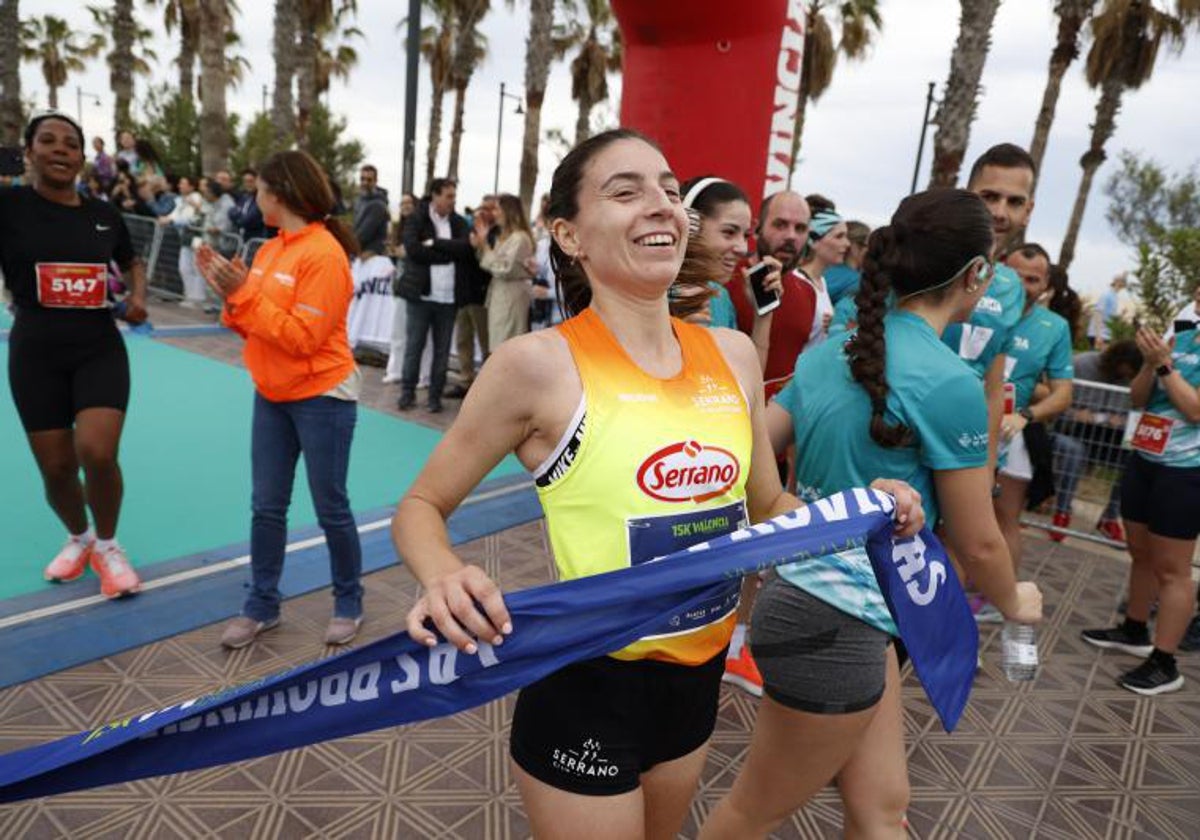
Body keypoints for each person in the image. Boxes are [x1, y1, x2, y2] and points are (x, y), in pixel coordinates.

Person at [392, 128, 923, 839]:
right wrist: (443, 574)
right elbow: (422, 506)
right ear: (570, 235)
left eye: (671, 192)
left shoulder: (733, 356)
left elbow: (769, 505)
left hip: (695, 681)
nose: (661, 206)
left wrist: (865, 511)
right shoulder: (538, 365)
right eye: (626, 191)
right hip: (587, 681)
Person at [701, 189, 1044, 840]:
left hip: (840, 610)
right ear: (975, 275)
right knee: (753, 811)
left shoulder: (836, 350)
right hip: (835, 619)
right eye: (993, 267)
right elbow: (979, 544)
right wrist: (1015, 599)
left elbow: (749, 448)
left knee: (883, 807)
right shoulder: (948, 384)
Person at [195, 149, 366, 650]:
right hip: (271, 395)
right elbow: (245, 322)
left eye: (259, 190)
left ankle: (348, 601)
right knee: (266, 507)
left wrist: (245, 295)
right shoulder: (269, 250)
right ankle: (261, 605)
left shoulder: (325, 255)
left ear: (281, 194)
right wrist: (230, 293)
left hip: (323, 399)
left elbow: (302, 338)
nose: (254, 198)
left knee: (330, 506)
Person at [0, 109, 148, 597]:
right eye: (48, 141)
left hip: (98, 347)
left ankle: (107, 545)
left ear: (83, 158)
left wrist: (139, 298)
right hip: (35, 352)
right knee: (58, 467)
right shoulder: (9, 206)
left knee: (97, 451)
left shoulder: (103, 215)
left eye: (71, 143)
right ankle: (79, 537)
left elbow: (132, 262)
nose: (61, 149)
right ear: (29, 153)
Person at [1082, 325, 1200, 694]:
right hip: (1146, 455)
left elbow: (1195, 410)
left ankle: (1165, 663)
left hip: (1186, 468)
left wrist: (1164, 366)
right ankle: (1134, 629)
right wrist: (1151, 365)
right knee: (1141, 553)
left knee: (1173, 569)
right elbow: (1136, 398)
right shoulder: (1180, 338)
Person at [992, 243, 1074, 575]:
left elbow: (1063, 393)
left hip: (1010, 433)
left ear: (1045, 286)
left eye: (1033, 279)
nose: (1024, 286)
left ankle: (1000, 598)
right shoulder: (976, 304)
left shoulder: (1054, 327)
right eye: (1015, 275)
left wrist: (1025, 416)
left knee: (1005, 517)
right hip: (960, 423)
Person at [726, 190, 817, 400]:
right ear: (757, 229)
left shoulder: (808, 292)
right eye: (780, 224)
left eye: (800, 228)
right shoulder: (726, 281)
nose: (791, 236)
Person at [1050, 339, 1142, 541]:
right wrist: (1073, 413)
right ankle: (1062, 511)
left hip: (1109, 438)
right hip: (1072, 432)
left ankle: (1110, 518)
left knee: (1134, 461)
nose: (1125, 377)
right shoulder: (1081, 364)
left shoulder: (1137, 380)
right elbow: (1053, 398)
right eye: (1122, 371)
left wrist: (1123, 421)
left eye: (1129, 375)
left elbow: (1138, 413)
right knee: (1074, 453)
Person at [399, 178, 473, 413]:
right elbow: (414, 250)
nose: (453, 201)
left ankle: (434, 397)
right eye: (449, 196)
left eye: (454, 196)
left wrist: (435, 244)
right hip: (421, 296)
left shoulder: (459, 222)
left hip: (448, 300)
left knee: (442, 352)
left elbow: (465, 249)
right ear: (435, 196)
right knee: (414, 347)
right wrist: (445, 254)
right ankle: (407, 393)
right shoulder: (416, 218)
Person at [447, 195, 495, 396]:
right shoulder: (468, 230)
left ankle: (486, 386)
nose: (483, 211)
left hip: (481, 296)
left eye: (489, 208)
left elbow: (489, 261)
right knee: (463, 341)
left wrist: (480, 245)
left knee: (486, 344)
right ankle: (466, 380)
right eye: (481, 207)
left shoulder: (497, 233)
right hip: (463, 294)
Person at [476, 192, 534, 352]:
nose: (494, 214)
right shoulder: (506, 237)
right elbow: (491, 263)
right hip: (501, 295)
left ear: (508, 211)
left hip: (510, 297)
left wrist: (485, 247)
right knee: (497, 342)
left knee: (505, 345)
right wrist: (482, 244)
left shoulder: (519, 238)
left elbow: (504, 269)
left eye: (497, 209)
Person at [796, 202, 850, 347]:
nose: (847, 243)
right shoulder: (798, 282)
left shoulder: (821, 281)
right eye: (839, 236)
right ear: (814, 241)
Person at [159, 175, 206, 307]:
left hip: (196, 237)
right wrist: (166, 218)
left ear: (191, 186)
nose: (180, 185)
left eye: (183, 183)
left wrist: (171, 220)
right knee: (184, 267)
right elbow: (175, 213)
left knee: (196, 267)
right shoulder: (181, 200)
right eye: (180, 183)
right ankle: (189, 296)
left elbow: (190, 217)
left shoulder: (196, 197)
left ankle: (198, 298)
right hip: (185, 237)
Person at [352, 164, 389, 256]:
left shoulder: (378, 205)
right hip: (360, 254)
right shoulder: (359, 201)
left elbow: (363, 235)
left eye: (369, 180)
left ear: (375, 181)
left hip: (372, 256)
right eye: (362, 179)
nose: (365, 182)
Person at [1088, 273, 1127, 350]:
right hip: (1099, 335)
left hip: (1105, 335)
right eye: (1121, 281)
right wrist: (1098, 336)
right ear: (1116, 282)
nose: (1123, 284)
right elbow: (1097, 313)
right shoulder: (1106, 295)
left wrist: (1122, 314)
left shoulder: (1114, 296)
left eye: (1123, 282)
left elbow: (1109, 317)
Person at [229, 168, 269, 241]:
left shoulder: (260, 199)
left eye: (251, 181)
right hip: (242, 239)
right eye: (245, 182)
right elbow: (231, 211)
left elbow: (247, 220)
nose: (248, 184)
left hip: (255, 240)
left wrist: (238, 216)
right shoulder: (244, 197)